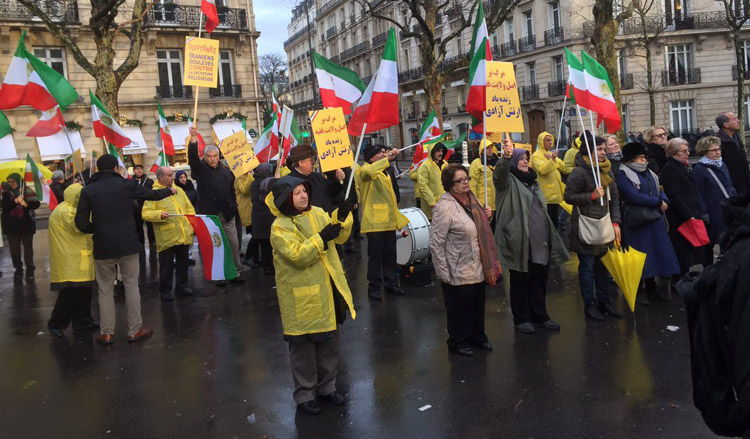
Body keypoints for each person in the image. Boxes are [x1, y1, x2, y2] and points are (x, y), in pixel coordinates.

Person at [268, 176, 355, 415]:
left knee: (329, 343)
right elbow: (297, 256)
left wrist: (342, 218)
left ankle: (327, 388)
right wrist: (321, 237)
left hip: (327, 290)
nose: (303, 196)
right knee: (303, 348)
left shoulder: (317, 212)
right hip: (301, 296)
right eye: (296, 193)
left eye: (303, 190)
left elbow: (338, 236)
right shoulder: (280, 226)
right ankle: (305, 393)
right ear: (285, 198)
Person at [75, 154, 175, 344]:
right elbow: (151, 195)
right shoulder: (126, 185)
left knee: (104, 289)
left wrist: (97, 230)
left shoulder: (88, 190)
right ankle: (134, 330)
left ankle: (106, 333)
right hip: (128, 243)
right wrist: (169, 191)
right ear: (115, 168)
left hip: (103, 245)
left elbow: (80, 223)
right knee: (131, 285)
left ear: (97, 169)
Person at [494, 142, 569, 334]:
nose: (525, 161)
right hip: (519, 239)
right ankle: (521, 318)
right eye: (521, 158)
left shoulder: (533, 181)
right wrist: (506, 157)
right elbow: (500, 174)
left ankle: (540, 315)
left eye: (526, 158)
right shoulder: (507, 181)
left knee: (539, 278)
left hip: (540, 239)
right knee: (520, 280)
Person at [430, 164, 501, 355]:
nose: (465, 183)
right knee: (458, 308)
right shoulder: (444, 207)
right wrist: (443, 272)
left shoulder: (472, 200)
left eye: (466, 179)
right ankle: (458, 341)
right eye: (459, 181)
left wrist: (487, 216)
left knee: (477, 304)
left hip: (477, 262)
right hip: (457, 265)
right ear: (450, 185)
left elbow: (479, 227)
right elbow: (436, 242)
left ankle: (477, 337)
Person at [564, 135, 622, 321]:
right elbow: (569, 197)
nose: (603, 152)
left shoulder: (607, 171)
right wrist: (592, 196)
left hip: (605, 226)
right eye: (599, 149)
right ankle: (590, 304)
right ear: (588, 152)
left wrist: (616, 222)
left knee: (603, 267)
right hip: (586, 227)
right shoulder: (579, 172)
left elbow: (615, 200)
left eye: (604, 149)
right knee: (587, 268)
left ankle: (604, 302)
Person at [615, 142, 679, 304]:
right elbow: (632, 196)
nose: (644, 160)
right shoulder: (623, 174)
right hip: (638, 221)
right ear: (631, 159)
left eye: (644, 157)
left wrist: (663, 200)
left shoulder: (649, 172)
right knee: (641, 257)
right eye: (640, 157)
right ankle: (639, 291)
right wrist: (658, 203)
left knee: (656, 254)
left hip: (654, 220)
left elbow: (660, 189)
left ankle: (652, 288)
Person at [187, 126, 244, 284]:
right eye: (209, 156)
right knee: (216, 245)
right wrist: (193, 140)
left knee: (233, 243)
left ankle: (236, 271)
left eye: (215, 156)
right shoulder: (200, 170)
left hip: (226, 213)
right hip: (210, 215)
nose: (212, 159)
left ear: (219, 156)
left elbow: (231, 191)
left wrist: (233, 206)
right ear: (205, 157)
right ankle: (219, 274)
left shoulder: (226, 171)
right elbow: (192, 159)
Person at [355, 145, 409, 300]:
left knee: (390, 254)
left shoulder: (385, 170)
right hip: (375, 222)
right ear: (371, 157)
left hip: (389, 220)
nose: (383, 155)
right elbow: (367, 173)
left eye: (384, 152)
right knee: (376, 257)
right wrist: (386, 159)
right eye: (379, 153)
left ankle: (391, 283)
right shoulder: (364, 170)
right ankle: (374, 286)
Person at [47, 183, 98, 336]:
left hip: (76, 256)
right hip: (69, 258)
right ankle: (56, 324)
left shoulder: (69, 208)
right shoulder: (67, 210)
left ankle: (82, 321)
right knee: (69, 293)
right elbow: (80, 227)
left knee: (83, 290)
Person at [142, 166, 196, 301]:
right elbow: (145, 213)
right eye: (170, 175)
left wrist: (191, 222)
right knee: (166, 265)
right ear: (161, 178)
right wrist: (159, 214)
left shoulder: (179, 190)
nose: (173, 177)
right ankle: (165, 290)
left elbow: (189, 207)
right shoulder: (153, 193)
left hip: (183, 233)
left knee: (183, 262)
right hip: (167, 236)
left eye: (172, 175)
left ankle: (181, 287)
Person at [661, 137, 702, 289]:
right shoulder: (671, 168)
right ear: (673, 153)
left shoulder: (683, 166)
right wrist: (688, 214)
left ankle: (684, 276)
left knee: (687, 248)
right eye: (683, 151)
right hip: (679, 216)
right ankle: (678, 280)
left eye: (687, 150)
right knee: (681, 249)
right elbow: (674, 194)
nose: (687, 153)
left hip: (689, 211)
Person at [692, 136, 737, 266]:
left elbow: (730, 185)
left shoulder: (723, 165)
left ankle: (726, 268)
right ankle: (709, 272)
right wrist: (704, 213)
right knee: (710, 242)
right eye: (713, 150)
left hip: (726, 209)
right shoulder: (699, 169)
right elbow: (699, 193)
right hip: (712, 212)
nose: (717, 152)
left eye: (718, 149)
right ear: (704, 152)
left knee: (727, 240)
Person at [286, 143, 345, 214]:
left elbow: (331, 191)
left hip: (327, 220)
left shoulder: (317, 176)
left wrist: (337, 179)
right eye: (311, 160)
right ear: (301, 163)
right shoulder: (290, 182)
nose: (314, 163)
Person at [2, 173, 40, 279]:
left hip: (26, 224)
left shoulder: (27, 190)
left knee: (28, 246)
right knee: (14, 248)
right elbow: (4, 207)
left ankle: (29, 264)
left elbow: (36, 204)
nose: (10, 184)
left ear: (18, 181)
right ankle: (18, 266)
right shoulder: (6, 193)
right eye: (9, 182)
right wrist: (15, 201)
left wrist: (26, 204)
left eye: (13, 181)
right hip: (11, 226)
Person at [531, 131, 565, 230]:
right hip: (546, 195)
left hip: (554, 194)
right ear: (541, 142)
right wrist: (552, 159)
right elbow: (543, 170)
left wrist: (554, 158)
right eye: (548, 140)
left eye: (551, 140)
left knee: (554, 222)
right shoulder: (536, 155)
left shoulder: (550, 153)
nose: (550, 143)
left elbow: (563, 167)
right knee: (548, 224)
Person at [250, 163, 276, 275]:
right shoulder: (268, 183)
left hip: (258, 218)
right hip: (267, 218)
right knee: (269, 246)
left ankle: (266, 266)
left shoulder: (253, 183)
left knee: (264, 245)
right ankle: (270, 267)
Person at [715, 112, 750, 195]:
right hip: (733, 188)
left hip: (745, 185)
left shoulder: (737, 137)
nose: (739, 121)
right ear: (726, 124)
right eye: (734, 119)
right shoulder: (718, 142)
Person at [469, 139, 497, 227]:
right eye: (487, 148)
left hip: (496, 204)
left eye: (491, 147)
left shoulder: (497, 162)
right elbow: (472, 185)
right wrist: (475, 204)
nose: (490, 150)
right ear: (482, 150)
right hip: (483, 204)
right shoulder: (476, 164)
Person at [235, 171, 260, 267]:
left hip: (254, 208)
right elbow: (244, 190)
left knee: (256, 233)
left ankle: (255, 257)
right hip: (246, 209)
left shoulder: (252, 174)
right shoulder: (239, 177)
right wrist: (250, 176)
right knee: (255, 234)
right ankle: (248, 257)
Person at [418, 142, 448, 220]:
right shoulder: (425, 166)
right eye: (438, 151)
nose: (441, 153)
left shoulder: (445, 164)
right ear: (432, 152)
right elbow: (423, 186)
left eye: (442, 151)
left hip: (445, 204)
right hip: (432, 206)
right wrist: (432, 202)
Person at [132, 164, 156, 247]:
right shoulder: (130, 182)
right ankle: (140, 245)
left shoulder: (149, 181)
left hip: (148, 207)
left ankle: (152, 244)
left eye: (141, 169)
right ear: (134, 171)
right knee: (138, 228)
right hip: (136, 209)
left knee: (151, 227)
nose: (139, 170)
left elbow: (153, 193)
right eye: (137, 169)